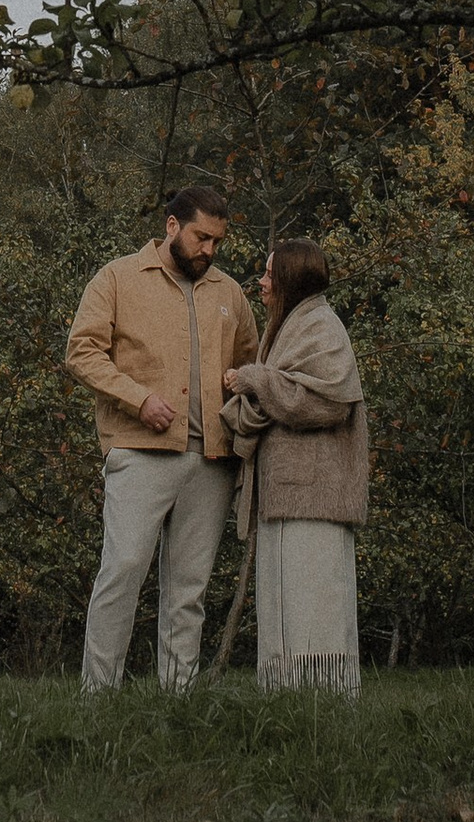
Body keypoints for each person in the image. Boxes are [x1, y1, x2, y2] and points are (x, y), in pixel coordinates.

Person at [66, 182, 259, 693]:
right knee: (123, 570)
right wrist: (138, 399)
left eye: (217, 241)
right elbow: (81, 352)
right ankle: (97, 695)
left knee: (189, 590)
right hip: (138, 452)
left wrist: (238, 391)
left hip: (213, 459)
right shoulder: (117, 278)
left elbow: (252, 363)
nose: (209, 250)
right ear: (172, 226)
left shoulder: (230, 293)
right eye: (201, 238)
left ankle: (177, 698)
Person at [222, 238, 369, 694]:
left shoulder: (322, 326)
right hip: (287, 492)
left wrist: (254, 378)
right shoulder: (286, 326)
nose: (262, 282)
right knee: (285, 600)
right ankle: (286, 698)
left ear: (290, 279)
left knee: (314, 602)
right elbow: (284, 394)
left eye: (270, 274)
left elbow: (327, 404)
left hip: (315, 494)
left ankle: (322, 698)